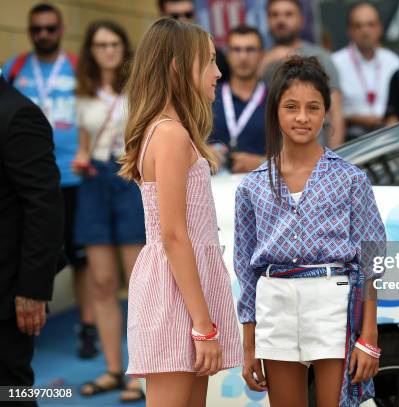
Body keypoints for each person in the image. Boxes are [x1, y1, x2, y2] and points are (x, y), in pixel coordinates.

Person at [234, 55, 386, 407]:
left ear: (326, 113)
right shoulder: (252, 186)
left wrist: (369, 334)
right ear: (275, 111)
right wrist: (249, 344)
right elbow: (246, 269)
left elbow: (372, 261)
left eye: (313, 107)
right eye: (291, 106)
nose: (302, 117)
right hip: (275, 305)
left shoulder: (351, 179)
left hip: (332, 302)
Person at [119, 18, 242, 406]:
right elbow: (174, 235)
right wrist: (203, 327)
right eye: (208, 61)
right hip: (175, 293)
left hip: (184, 288)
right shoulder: (169, 134)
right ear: (176, 66)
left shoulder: (173, 130)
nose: (218, 72)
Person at [1, 2, 97, 359]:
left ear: (59, 30)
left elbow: (92, 113)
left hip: (72, 174)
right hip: (20, 175)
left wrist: (87, 151)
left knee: (80, 258)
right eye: (37, 29)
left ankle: (87, 326)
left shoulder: (76, 67)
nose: (43, 34)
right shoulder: (14, 68)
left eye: (50, 28)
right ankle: (27, 319)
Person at [69, 21, 145, 402]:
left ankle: (141, 371)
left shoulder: (138, 90)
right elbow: (83, 145)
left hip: (128, 179)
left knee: (138, 284)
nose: (109, 50)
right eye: (101, 44)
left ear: (123, 47)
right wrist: (80, 160)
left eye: (115, 43)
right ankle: (113, 368)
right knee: (100, 282)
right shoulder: (82, 93)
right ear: (91, 50)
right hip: (94, 182)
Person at [0, 73, 64, 406]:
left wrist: (33, 289)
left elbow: (45, 207)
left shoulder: (18, 113)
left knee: (10, 394)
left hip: (8, 297)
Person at [259, 0, 345, 147]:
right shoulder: (260, 60)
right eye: (274, 15)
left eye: (288, 14)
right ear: (267, 20)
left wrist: (335, 158)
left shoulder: (321, 57)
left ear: (301, 20)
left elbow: (335, 113)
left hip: (315, 154)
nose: (281, 20)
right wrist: (264, 63)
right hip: (272, 155)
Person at [332, 2, 399, 140]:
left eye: (370, 25)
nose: (365, 31)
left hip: (388, 138)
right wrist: (355, 118)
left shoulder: (394, 63)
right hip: (349, 138)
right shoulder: (335, 63)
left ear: (380, 28)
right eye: (358, 26)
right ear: (349, 31)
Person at [210, 25, 266, 173]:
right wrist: (203, 154)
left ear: (262, 54)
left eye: (250, 49)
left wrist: (263, 163)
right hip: (216, 188)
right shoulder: (208, 96)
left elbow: (292, 154)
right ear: (227, 54)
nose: (243, 57)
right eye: (236, 49)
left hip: (261, 188)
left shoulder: (275, 99)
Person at [158, 0, 231, 80]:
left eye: (188, 15)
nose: (182, 20)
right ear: (162, 17)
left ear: (195, 15)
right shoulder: (154, 55)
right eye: (175, 16)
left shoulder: (214, 55)